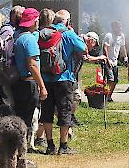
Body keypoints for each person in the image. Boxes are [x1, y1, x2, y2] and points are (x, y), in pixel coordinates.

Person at [38, 9, 86, 155]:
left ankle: (50, 145)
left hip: (45, 78)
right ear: (67, 21)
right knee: (64, 110)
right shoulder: (68, 34)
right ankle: (63, 146)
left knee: (47, 111)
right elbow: (83, 48)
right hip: (63, 78)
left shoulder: (44, 33)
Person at [12, 8, 47, 145]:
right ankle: (22, 146)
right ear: (34, 22)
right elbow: (32, 65)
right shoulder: (30, 40)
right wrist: (42, 86)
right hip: (29, 83)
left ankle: (17, 144)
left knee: (20, 115)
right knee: (27, 117)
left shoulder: (18, 37)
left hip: (19, 82)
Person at [103, 21, 127, 102]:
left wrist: (125, 57)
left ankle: (109, 96)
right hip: (107, 61)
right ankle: (105, 96)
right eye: (118, 27)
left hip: (115, 61)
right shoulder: (109, 36)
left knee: (115, 80)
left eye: (121, 27)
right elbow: (105, 47)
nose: (120, 28)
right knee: (110, 79)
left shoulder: (122, 36)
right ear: (114, 28)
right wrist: (107, 60)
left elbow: (123, 47)